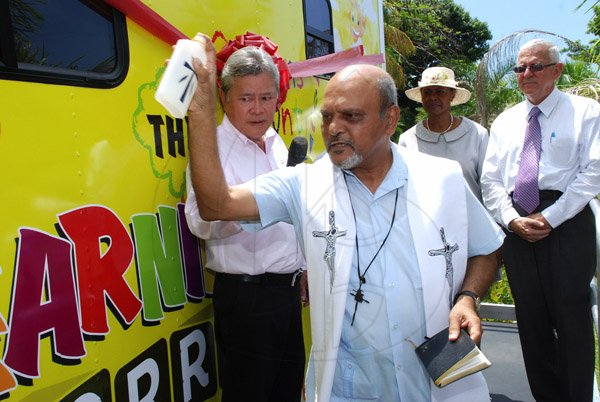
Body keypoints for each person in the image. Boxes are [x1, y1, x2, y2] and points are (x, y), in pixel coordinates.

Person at [188, 33, 504, 402]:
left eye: (351, 116)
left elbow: (486, 250)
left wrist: (467, 298)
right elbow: (216, 205)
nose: (334, 128)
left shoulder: (443, 179)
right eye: (327, 117)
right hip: (350, 387)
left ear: (390, 120)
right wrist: (200, 110)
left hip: (439, 381)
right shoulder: (304, 184)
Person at [184, 45, 306, 402]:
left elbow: (292, 211)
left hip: (286, 293)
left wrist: (303, 265)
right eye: (247, 98)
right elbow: (199, 221)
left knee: (286, 391)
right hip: (245, 298)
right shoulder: (213, 147)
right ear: (224, 99)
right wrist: (243, 208)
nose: (258, 109)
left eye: (267, 97)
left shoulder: (274, 141)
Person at [481, 39, 600, 402]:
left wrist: (550, 218)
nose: (526, 74)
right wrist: (509, 220)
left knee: (572, 321)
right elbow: (490, 180)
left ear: (557, 70)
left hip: (567, 221)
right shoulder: (505, 120)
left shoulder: (585, 112)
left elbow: (593, 172)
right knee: (531, 324)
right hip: (516, 226)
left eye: (535, 66)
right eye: (520, 68)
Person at [399, 66, 489, 201]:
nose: (433, 97)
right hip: (426, 220)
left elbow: (489, 183)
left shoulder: (476, 134)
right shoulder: (407, 140)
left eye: (440, 92)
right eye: (427, 92)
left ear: (452, 95)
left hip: (472, 219)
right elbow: (403, 187)